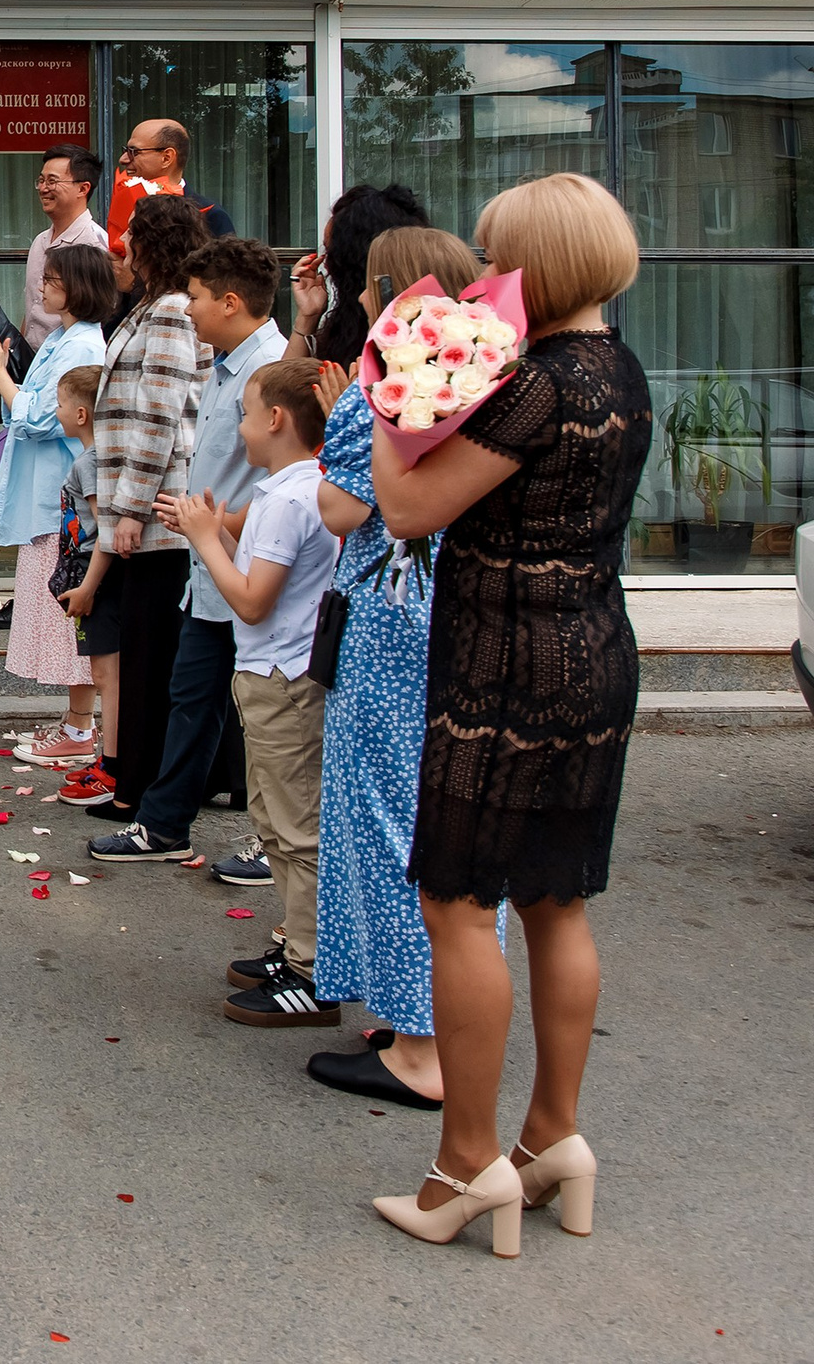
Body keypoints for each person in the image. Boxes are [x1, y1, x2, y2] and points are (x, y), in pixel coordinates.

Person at [369, 172, 648, 1256]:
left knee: (457, 902)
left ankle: (464, 1163)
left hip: (506, 665)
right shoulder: (619, 368)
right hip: (595, 650)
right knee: (557, 900)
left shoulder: (532, 384)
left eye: (497, 255)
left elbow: (404, 509)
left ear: (535, 265)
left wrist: (398, 394)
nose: (487, 273)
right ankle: (550, 1140)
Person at [303, 223, 485, 1112]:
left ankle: (419, 1043)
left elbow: (342, 510)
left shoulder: (387, 383)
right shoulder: (482, 374)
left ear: (386, 288)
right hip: (446, 614)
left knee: (383, 818)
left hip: (386, 618)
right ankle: (430, 1016)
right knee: (424, 812)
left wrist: (346, 423)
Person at [89, 236, 284, 855]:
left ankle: (273, 837)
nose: (187, 308)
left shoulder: (273, 369)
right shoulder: (227, 364)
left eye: (196, 298)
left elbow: (301, 482)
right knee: (194, 697)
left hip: (254, 569)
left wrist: (217, 526)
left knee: (267, 716)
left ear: (230, 303)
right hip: (210, 565)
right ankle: (167, 822)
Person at [170, 357, 340, 1027]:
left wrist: (207, 538)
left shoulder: (288, 498)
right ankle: (301, 947)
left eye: (243, 412)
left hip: (281, 679)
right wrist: (220, 525)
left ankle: (311, 967)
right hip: (281, 676)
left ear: (276, 419)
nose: (237, 427)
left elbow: (251, 599)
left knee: (294, 828)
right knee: (277, 820)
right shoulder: (301, 489)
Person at [71, 193, 211, 817]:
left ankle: (140, 791)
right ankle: (136, 781)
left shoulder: (173, 312)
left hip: (156, 510)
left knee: (151, 653)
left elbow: (159, 416)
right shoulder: (155, 306)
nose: (121, 243)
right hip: (146, 504)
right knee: (144, 647)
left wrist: (130, 508)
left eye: (131, 233)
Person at [0, 243, 113, 763]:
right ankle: (76, 723)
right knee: (56, 614)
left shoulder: (81, 347)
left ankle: (80, 728)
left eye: (51, 279)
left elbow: (38, 417)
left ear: (75, 287)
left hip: (64, 501)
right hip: (49, 496)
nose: (42, 287)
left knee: (68, 616)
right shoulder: (62, 338)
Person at [50, 366, 118, 771]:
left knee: (106, 673)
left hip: (92, 572)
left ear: (81, 415)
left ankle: (112, 760)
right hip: (90, 569)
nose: (55, 411)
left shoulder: (90, 462)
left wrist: (88, 585)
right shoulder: (94, 457)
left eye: (60, 404)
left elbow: (102, 524)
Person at [285, 183, 431, 366]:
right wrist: (308, 316)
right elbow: (277, 391)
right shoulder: (345, 327)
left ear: (355, 261)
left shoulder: (425, 333)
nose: (326, 267)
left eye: (332, 253)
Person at [22, 144, 110, 348]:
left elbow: (102, 316)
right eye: (41, 181)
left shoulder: (94, 245)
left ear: (83, 188)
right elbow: (32, 308)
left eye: (52, 181)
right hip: (33, 362)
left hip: (69, 363)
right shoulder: (39, 241)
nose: (44, 189)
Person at [106, 119, 235, 251]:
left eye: (134, 152)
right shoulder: (125, 205)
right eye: (126, 150)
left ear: (167, 158)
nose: (123, 159)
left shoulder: (209, 215)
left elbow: (225, 269)